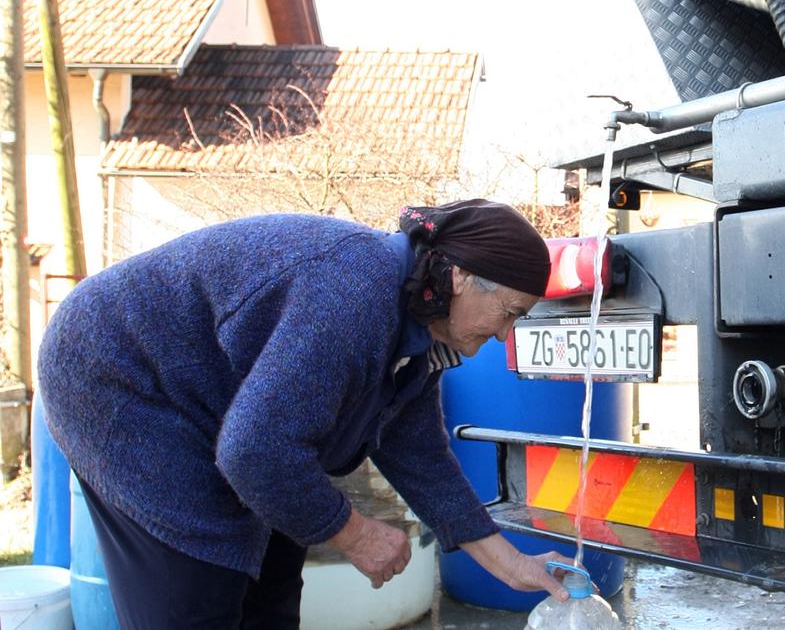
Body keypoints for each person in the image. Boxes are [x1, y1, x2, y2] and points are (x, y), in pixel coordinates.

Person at [39, 199, 571, 629]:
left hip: (215, 402)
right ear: (458, 277)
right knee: (202, 586)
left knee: (273, 581)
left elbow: (421, 457)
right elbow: (254, 453)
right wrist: (355, 534)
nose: (505, 335)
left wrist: (513, 566)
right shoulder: (353, 292)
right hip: (117, 373)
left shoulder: (419, 330)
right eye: (509, 313)